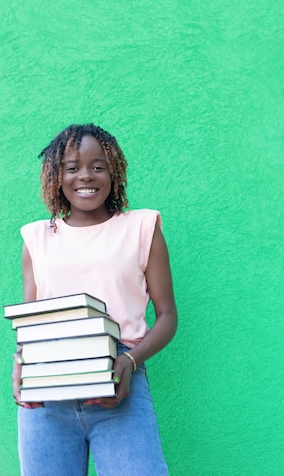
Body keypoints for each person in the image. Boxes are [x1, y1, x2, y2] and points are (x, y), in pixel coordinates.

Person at [12, 123, 177, 476]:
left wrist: (130, 362)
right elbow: (31, 324)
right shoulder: (36, 238)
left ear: (113, 171)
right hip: (46, 388)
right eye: (72, 167)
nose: (85, 176)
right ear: (57, 175)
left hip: (119, 380)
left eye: (97, 166)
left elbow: (167, 316)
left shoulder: (142, 228)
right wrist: (20, 364)